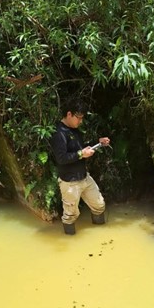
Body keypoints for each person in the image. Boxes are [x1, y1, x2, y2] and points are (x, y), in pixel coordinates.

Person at [49, 99, 111, 235]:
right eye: (79, 118)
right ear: (69, 114)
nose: (81, 121)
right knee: (70, 216)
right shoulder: (59, 133)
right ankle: (70, 245)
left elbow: (80, 148)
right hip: (69, 182)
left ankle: (101, 236)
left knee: (99, 205)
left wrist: (98, 143)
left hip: (84, 177)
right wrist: (81, 154)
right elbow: (61, 158)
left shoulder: (74, 130)